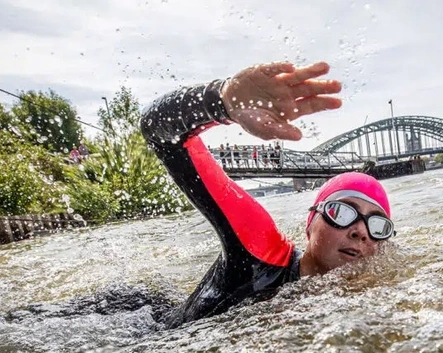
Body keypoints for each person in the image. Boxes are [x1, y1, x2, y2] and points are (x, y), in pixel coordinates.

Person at [139, 61, 395, 328]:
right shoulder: (262, 253)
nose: (361, 232)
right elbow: (158, 132)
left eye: (378, 225)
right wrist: (223, 99)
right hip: (141, 332)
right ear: (310, 225)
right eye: (341, 212)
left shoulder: (366, 304)